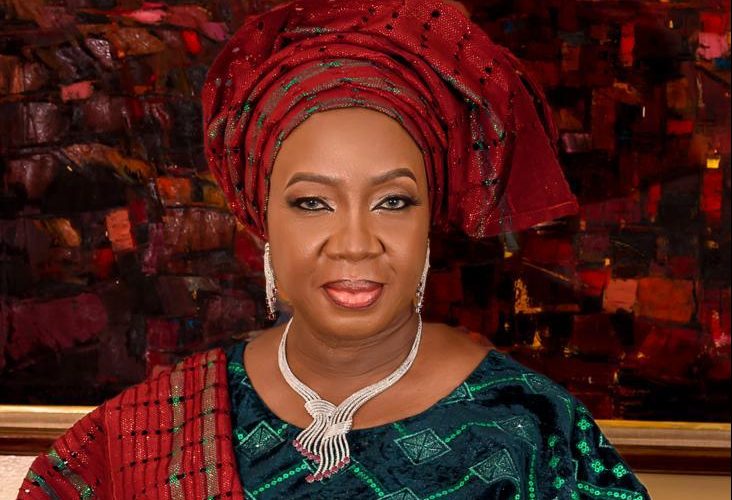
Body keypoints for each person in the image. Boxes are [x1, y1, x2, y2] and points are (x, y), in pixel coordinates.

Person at [19, 0, 650, 498]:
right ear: (260, 218)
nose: (354, 243)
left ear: (430, 220)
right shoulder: (143, 432)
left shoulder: (532, 431)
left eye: (393, 201)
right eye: (312, 203)